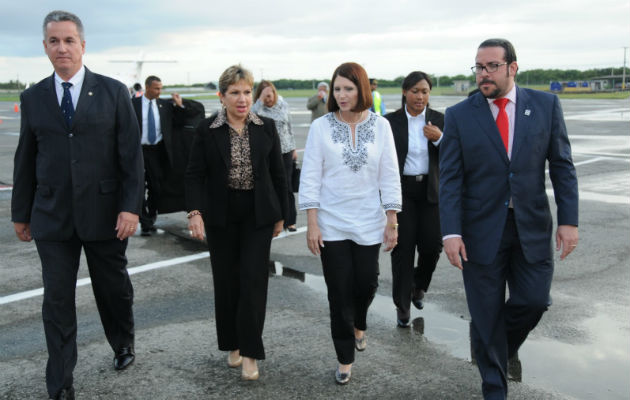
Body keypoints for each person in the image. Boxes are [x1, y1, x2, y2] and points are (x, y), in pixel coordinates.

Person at [11, 10, 144, 400]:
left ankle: (122, 342)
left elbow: (130, 157)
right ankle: (61, 383)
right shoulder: (33, 97)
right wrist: (21, 212)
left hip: (106, 214)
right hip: (52, 217)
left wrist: (130, 207)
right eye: (54, 41)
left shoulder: (113, 92)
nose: (62, 47)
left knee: (112, 288)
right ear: (45, 47)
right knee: (57, 300)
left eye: (69, 40)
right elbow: (25, 159)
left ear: (83, 45)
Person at [439, 38, 579, 399]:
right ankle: (494, 387)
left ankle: (493, 345)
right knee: (485, 314)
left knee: (534, 301)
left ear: (512, 68)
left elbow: (562, 166)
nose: (483, 74)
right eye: (478, 67)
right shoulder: (459, 115)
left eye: (491, 67)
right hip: (479, 231)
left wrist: (569, 220)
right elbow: (451, 179)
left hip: (531, 227)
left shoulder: (545, 106)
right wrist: (450, 232)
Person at [299, 62, 401, 385]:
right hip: (331, 222)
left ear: (362, 91)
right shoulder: (321, 127)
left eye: (348, 88)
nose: (341, 95)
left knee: (367, 283)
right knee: (339, 291)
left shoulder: (381, 126)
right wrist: (312, 223)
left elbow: (389, 173)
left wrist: (392, 218)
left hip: (369, 220)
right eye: (337, 89)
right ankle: (345, 356)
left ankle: (360, 322)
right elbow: (311, 176)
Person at [185, 65, 288, 381]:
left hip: (258, 214)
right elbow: (194, 175)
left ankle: (250, 352)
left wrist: (283, 214)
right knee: (228, 282)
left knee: (253, 281)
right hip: (221, 215)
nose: (242, 99)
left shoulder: (266, 127)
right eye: (235, 93)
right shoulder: (207, 129)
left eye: (246, 92)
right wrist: (195, 212)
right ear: (222, 96)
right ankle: (232, 342)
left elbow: (277, 174)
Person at [385, 71, 444, 327]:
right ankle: (402, 306)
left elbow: (456, 154)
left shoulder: (440, 120)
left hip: (430, 191)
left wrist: (440, 138)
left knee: (432, 246)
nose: (420, 96)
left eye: (425, 92)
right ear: (404, 92)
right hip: (402, 192)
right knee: (403, 250)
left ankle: (419, 285)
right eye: (415, 91)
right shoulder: (389, 122)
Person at [132, 75, 192, 236]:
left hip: (157, 151)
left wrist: (179, 106)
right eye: (156, 88)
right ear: (147, 87)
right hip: (137, 151)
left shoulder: (164, 105)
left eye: (160, 88)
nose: (159, 91)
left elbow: (178, 123)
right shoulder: (133, 104)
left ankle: (151, 216)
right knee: (138, 187)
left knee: (156, 187)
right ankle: (145, 222)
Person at [252, 80, 298, 231]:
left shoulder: (283, 104)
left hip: (285, 151)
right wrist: (259, 102)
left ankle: (290, 219)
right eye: (265, 96)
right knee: (269, 187)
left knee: (287, 187)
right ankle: (273, 218)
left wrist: (294, 148)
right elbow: (250, 117)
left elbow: (289, 126)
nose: (269, 99)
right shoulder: (258, 108)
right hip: (267, 153)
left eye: (270, 94)